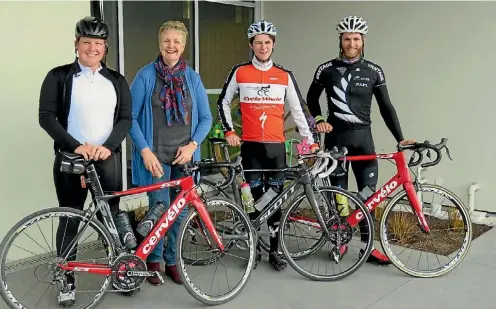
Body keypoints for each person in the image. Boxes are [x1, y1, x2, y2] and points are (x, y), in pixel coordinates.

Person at [305, 15, 415, 265]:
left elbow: (386, 107)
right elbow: (311, 99)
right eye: (347, 39)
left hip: (364, 141)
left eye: (356, 39)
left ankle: (368, 247)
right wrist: (319, 119)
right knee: (340, 196)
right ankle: (340, 241)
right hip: (336, 141)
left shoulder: (374, 71)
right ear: (340, 41)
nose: (351, 43)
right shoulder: (327, 69)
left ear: (363, 41)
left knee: (369, 196)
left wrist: (401, 138)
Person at [38, 16, 132, 307]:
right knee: (71, 218)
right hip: (71, 159)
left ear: (105, 48)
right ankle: (66, 280)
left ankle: (120, 271)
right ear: (76, 44)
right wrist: (76, 146)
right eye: (86, 42)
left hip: (106, 160)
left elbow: (126, 119)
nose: (92, 48)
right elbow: (46, 117)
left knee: (110, 217)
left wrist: (109, 147)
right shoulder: (59, 76)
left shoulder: (116, 80)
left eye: (99, 44)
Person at [217, 20, 318, 271]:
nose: (263, 47)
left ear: (273, 45)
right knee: (252, 201)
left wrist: (310, 142)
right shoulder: (240, 72)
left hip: (276, 150)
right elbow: (222, 102)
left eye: (267, 42)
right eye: (258, 42)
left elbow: (299, 111)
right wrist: (229, 131)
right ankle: (253, 249)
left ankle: (275, 250)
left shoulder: (284, 75)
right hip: (250, 148)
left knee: (274, 201)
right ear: (251, 45)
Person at [129, 20, 212, 285]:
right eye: (167, 40)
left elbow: (206, 119)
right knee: (158, 208)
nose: (171, 46)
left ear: (184, 45)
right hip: (156, 157)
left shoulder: (192, 77)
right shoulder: (145, 76)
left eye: (177, 41)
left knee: (181, 211)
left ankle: (173, 259)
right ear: (159, 43)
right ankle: (153, 260)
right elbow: (129, 117)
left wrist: (192, 146)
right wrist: (145, 152)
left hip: (184, 157)